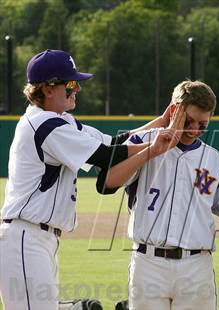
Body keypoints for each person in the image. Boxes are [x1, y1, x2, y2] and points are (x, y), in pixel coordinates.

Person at [0, 49, 175, 310]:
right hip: (25, 236)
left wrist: (160, 123)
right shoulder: (43, 124)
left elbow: (115, 141)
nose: (77, 88)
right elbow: (105, 155)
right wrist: (154, 147)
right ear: (48, 89)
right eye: (71, 83)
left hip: (39, 238)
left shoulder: (63, 121)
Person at [98, 80, 219, 310]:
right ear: (174, 111)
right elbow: (107, 183)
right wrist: (153, 150)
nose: (194, 130)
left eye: (202, 125)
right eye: (188, 121)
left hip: (196, 265)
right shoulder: (143, 141)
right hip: (149, 262)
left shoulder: (214, 160)